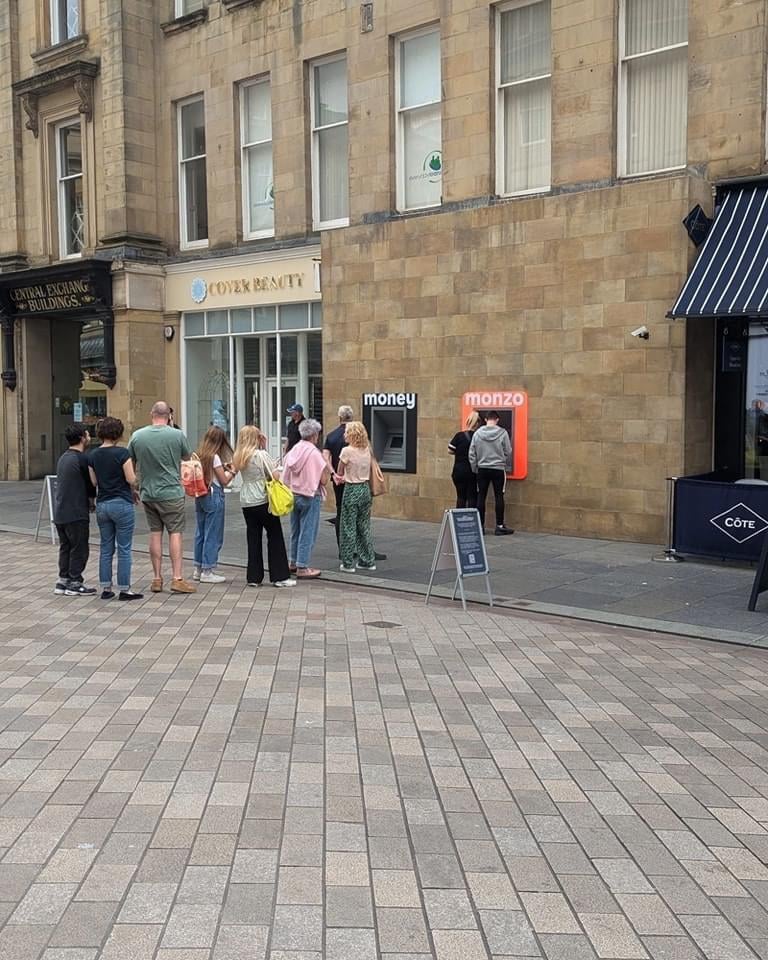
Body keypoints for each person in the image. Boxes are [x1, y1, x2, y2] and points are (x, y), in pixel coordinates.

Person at [128, 400, 196, 594]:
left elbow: (129, 460)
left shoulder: (138, 436)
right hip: (171, 492)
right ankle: (177, 578)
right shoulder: (176, 434)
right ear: (169, 416)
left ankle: (157, 578)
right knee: (175, 532)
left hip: (148, 492)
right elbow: (186, 457)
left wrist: (134, 486)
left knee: (155, 532)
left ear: (152, 414)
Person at [232, 425, 295, 588]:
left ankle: (254, 577)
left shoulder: (238, 456)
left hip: (246, 499)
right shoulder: (261, 454)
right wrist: (265, 448)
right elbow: (274, 474)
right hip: (262, 498)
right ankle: (279, 576)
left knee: (253, 537)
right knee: (274, 535)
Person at [88, 416, 143, 601]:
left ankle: (105, 587)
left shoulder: (93, 455)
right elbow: (130, 479)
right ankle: (125, 589)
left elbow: (94, 481)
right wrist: (135, 485)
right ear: (118, 433)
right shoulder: (122, 454)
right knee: (124, 548)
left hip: (103, 503)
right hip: (121, 502)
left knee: (105, 547)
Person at [281, 418, 329, 579]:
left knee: (295, 530)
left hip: (293, 494)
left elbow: (285, 474)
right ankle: (303, 566)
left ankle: (293, 562)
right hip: (310, 496)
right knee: (308, 531)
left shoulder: (293, 451)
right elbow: (323, 480)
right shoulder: (315, 454)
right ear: (314, 435)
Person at [53, 423, 97, 596]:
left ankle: (62, 580)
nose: (89, 437)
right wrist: (92, 501)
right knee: (79, 547)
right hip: (76, 511)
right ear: (81, 438)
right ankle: (75, 581)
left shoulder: (63, 457)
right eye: (87, 435)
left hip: (61, 511)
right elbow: (91, 484)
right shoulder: (82, 459)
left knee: (65, 546)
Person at [192, 426, 234, 584]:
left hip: (201, 494)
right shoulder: (214, 457)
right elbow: (224, 480)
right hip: (213, 495)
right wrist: (233, 470)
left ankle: (198, 568)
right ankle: (208, 570)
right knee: (213, 534)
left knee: (200, 532)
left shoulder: (199, 454)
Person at [335, 421, 376, 572]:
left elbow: (340, 472)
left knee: (348, 527)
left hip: (352, 490)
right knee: (364, 526)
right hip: (365, 489)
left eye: (346, 432)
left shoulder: (347, 451)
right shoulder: (367, 449)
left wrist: (339, 477)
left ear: (352, 434)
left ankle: (347, 563)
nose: (344, 434)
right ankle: (368, 560)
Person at [469, 411, 514, 535]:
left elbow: (471, 453)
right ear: (497, 420)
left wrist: (475, 468)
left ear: (485, 419)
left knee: (481, 496)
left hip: (482, 469)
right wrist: (502, 459)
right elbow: (508, 451)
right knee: (499, 496)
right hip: (498, 469)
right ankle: (499, 526)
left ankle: (480, 527)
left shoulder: (477, 433)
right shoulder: (503, 433)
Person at [323, 404, 354, 545]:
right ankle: (357, 547)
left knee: (341, 512)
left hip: (338, 480)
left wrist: (333, 473)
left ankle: (342, 546)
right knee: (355, 513)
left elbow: (325, 457)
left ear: (339, 417)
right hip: (355, 480)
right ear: (351, 417)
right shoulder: (358, 436)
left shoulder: (331, 436)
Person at [449, 411, 481, 509]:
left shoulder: (459, 436)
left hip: (458, 471)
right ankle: (471, 522)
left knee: (461, 497)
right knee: (472, 497)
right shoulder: (478, 437)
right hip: (472, 472)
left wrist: (460, 453)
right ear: (478, 424)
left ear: (467, 422)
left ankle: (459, 522)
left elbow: (450, 450)